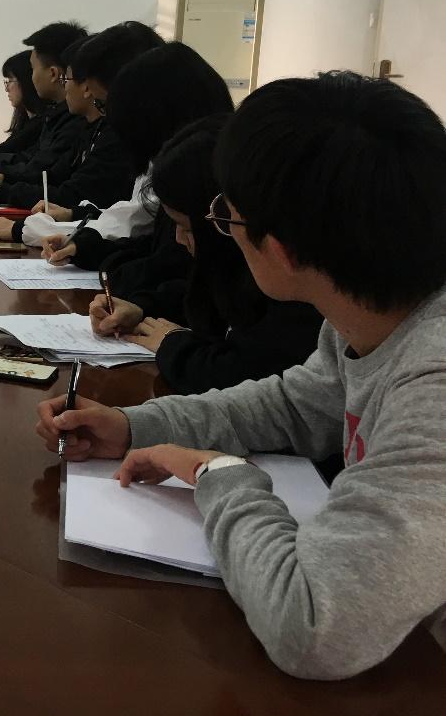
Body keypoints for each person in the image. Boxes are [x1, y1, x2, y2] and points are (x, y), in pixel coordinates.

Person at [35, 72, 446, 680]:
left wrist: (217, 473)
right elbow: (294, 405)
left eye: (226, 216)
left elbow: (313, 628)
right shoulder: (370, 309)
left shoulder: (434, 381)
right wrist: (133, 426)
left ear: (279, 248)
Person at [88, 116, 322, 394]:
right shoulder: (232, 266)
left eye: (187, 228)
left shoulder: (291, 286)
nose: (178, 238)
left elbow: (247, 375)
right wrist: (141, 309)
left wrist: (173, 344)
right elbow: (200, 295)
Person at [0, 42, 231, 248]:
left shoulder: (193, 165)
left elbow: (138, 228)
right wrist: (73, 216)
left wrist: (9, 201)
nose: (115, 121)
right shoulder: (90, 128)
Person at [0, 21, 161, 210]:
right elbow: (54, 177)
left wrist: (0, 190)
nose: (66, 86)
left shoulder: (117, 135)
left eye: (68, 78)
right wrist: (0, 180)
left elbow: (74, 195)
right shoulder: (90, 127)